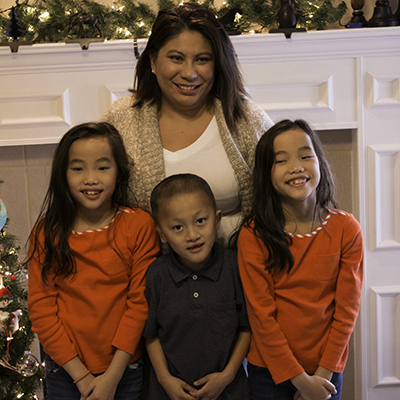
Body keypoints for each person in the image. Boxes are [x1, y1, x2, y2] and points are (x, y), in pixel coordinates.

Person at [100, 3, 273, 246]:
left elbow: (285, 196)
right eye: (176, 58)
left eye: (202, 59)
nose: (189, 73)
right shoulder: (120, 118)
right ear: (152, 61)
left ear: (217, 64)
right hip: (144, 268)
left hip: (240, 264)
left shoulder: (247, 118)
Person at [27, 122, 161, 400]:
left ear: (119, 171)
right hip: (65, 371)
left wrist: (112, 377)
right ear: (63, 174)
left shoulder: (138, 225)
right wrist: (81, 376)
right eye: (78, 169)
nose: (90, 179)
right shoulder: (47, 232)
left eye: (102, 167)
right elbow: (41, 311)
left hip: (125, 369)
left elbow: (140, 305)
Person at [236, 120, 364, 400]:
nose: (296, 167)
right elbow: (261, 316)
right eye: (281, 160)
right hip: (269, 373)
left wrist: (322, 376)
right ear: (266, 173)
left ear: (320, 163)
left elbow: (347, 311)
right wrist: (299, 381)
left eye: (306, 156)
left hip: (325, 371)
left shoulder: (346, 229)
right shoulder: (254, 235)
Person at [143, 173, 251, 400]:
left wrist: (228, 375)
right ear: (162, 234)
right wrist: (165, 379)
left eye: (201, 221)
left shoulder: (235, 268)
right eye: (177, 227)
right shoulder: (157, 275)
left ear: (217, 219)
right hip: (169, 393)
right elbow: (150, 335)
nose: (192, 235)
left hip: (229, 391)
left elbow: (246, 328)